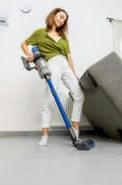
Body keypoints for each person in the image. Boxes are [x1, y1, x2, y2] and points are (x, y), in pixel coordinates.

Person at [21, 8, 84, 146]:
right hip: (52, 63)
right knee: (49, 99)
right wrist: (29, 55)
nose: (62, 20)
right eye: (61, 16)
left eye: (64, 19)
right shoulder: (40, 33)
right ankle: (44, 134)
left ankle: (75, 126)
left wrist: (74, 74)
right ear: (53, 15)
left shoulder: (64, 38)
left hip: (64, 63)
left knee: (79, 94)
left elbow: (69, 57)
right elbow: (24, 44)